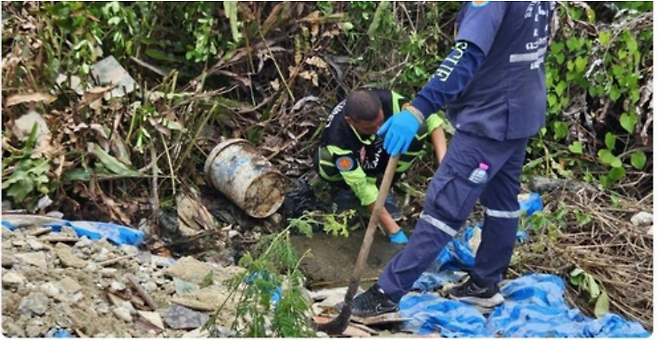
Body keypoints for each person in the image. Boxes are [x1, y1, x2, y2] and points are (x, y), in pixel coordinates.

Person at [348, 1, 556, 316]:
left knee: (443, 206)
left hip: (489, 118)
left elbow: (466, 55)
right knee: (502, 203)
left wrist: (418, 108)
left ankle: (386, 295)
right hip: (522, 110)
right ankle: (484, 285)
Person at [313, 88, 448, 244]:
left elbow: (431, 120)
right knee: (324, 161)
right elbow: (362, 187)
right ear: (351, 121)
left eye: (380, 122)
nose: (378, 130)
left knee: (419, 125)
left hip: (386, 149)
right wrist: (394, 231)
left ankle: (385, 187)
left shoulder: (388, 100)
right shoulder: (337, 136)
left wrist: (444, 166)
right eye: (370, 128)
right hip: (357, 159)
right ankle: (348, 193)